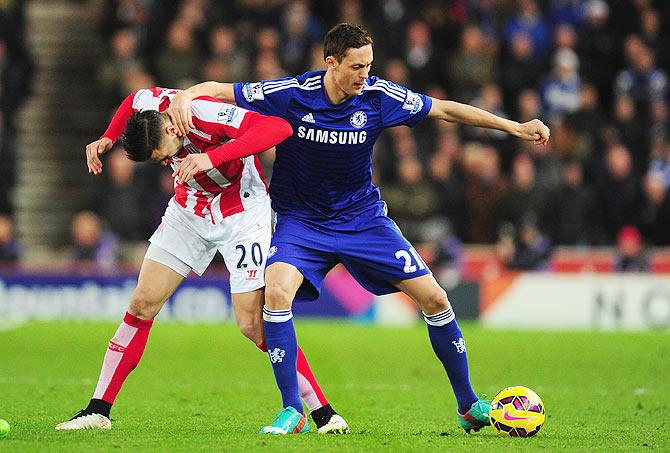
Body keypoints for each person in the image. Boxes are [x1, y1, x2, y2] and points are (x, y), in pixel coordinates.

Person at [168, 23, 550, 435]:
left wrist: (514, 127)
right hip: (301, 222)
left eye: (369, 65)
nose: (364, 75)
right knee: (276, 294)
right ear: (330, 63)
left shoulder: (378, 96)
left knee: (436, 298)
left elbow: (445, 108)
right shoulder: (291, 93)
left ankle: (469, 404)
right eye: (356, 67)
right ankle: (292, 411)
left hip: (362, 219)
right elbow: (222, 89)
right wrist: (186, 96)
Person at [55, 87, 348, 434]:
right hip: (190, 210)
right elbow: (133, 100)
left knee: (252, 325)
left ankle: (323, 412)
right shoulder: (152, 108)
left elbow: (278, 129)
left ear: (171, 129)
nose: (165, 162)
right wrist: (108, 136)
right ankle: (98, 410)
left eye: (161, 154)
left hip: (242, 213)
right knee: (141, 303)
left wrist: (213, 157)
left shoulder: (206, 113)